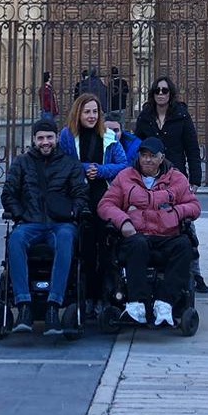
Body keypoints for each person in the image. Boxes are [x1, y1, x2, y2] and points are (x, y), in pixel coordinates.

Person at [98, 137, 202, 327]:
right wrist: (123, 221)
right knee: (138, 245)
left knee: (184, 246)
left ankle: (165, 303)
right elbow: (105, 204)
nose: (147, 160)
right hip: (136, 234)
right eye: (144, 155)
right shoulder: (125, 177)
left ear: (161, 158)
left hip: (166, 234)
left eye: (152, 156)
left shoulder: (176, 178)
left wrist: (177, 212)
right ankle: (137, 304)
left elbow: (194, 206)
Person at [1, 119, 87, 334]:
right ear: (33, 140)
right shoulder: (21, 163)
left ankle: (53, 304)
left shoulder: (70, 164)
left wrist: (73, 212)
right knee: (16, 239)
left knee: (67, 238)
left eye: (49, 137)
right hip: (31, 222)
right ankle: (23, 305)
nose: (45, 142)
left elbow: (81, 195)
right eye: (40, 138)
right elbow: (8, 194)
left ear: (57, 138)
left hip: (60, 224)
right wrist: (20, 215)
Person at [60, 96, 135, 312]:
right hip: (77, 197)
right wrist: (85, 168)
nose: (92, 116)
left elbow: (123, 165)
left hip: (104, 198)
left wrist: (101, 171)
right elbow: (62, 162)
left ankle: (105, 295)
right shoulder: (66, 136)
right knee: (83, 248)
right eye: (87, 112)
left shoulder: (109, 136)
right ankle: (84, 295)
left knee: (106, 247)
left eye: (95, 112)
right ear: (78, 113)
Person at [134, 75, 207, 292]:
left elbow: (192, 148)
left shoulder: (181, 115)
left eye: (165, 90)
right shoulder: (145, 116)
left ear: (171, 93)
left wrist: (195, 179)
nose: (161, 94)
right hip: (150, 177)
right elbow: (136, 146)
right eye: (157, 90)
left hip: (176, 177)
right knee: (149, 221)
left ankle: (196, 273)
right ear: (152, 93)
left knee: (185, 225)